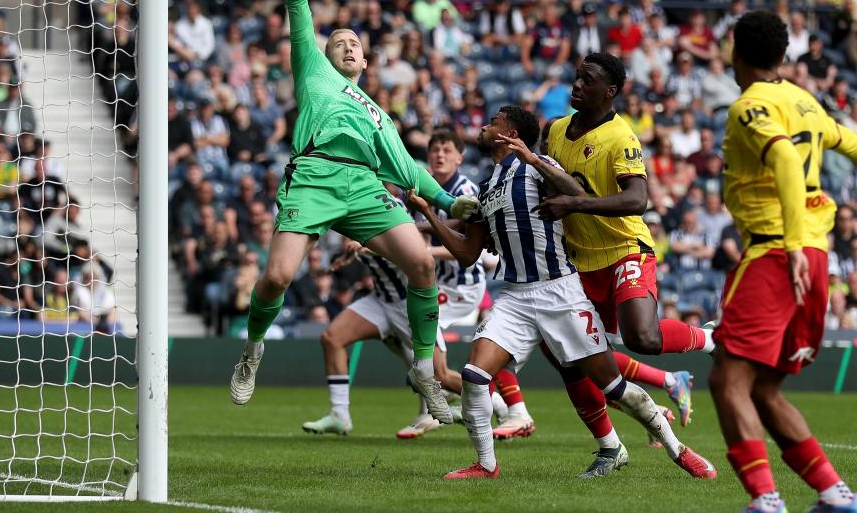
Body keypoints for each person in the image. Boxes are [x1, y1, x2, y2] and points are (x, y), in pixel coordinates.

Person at [230, 0, 479, 422]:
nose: (346, 45)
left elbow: (407, 170)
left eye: (355, 43)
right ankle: (253, 349)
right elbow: (298, 2)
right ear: (323, 55)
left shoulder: (378, 114)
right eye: (338, 41)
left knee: (422, 265)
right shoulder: (313, 71)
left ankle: (425, 372)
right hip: (315, 176)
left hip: (365, 187)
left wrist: (449, 202)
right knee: (276, 277)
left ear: (365, 61)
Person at [411, 106, 715, 480]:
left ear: (511, 133)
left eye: (494, 122)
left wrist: (531, 158)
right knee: (474, 375)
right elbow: (467, 252)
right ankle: (486, 465)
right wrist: (427, 213)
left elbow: (576, 194)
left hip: (560, 292)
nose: (485, 126)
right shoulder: (486, 187)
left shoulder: (539, 166)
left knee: (614, 387)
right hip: (515, 297)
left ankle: (677, 448)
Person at [709, 10, 857, 513]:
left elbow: (787, 160)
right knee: (764, 388)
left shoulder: (749, 106)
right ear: (782, 54)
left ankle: (766, 500)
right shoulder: (805, 101)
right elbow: (849, 141)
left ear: (737, 51)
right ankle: (835, 494)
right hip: (814, 255)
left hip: (778, 252)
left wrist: (791, 243)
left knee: (727, 379)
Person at [301, 130, 532, 440]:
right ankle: (343, 415)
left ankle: (500, 406)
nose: (439, 155)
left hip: (453, 287)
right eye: (435, 149)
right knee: (333, 337)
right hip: (394, 293)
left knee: (434, 369)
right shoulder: (399, 194)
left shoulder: (456, 191)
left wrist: (391, 245)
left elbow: (448, 243)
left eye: (446, 150)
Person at [537, 53, 715, 430]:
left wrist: (575, 203)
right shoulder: (555, 130)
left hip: (624, 249)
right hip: (579, 261)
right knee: (572, 355)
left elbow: (637, 199)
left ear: (610, 91)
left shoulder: (621, 137)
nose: (577, 84)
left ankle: (708, 337)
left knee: (643, 338)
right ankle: (614, 441)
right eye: (577, 76)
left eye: (588, 80)